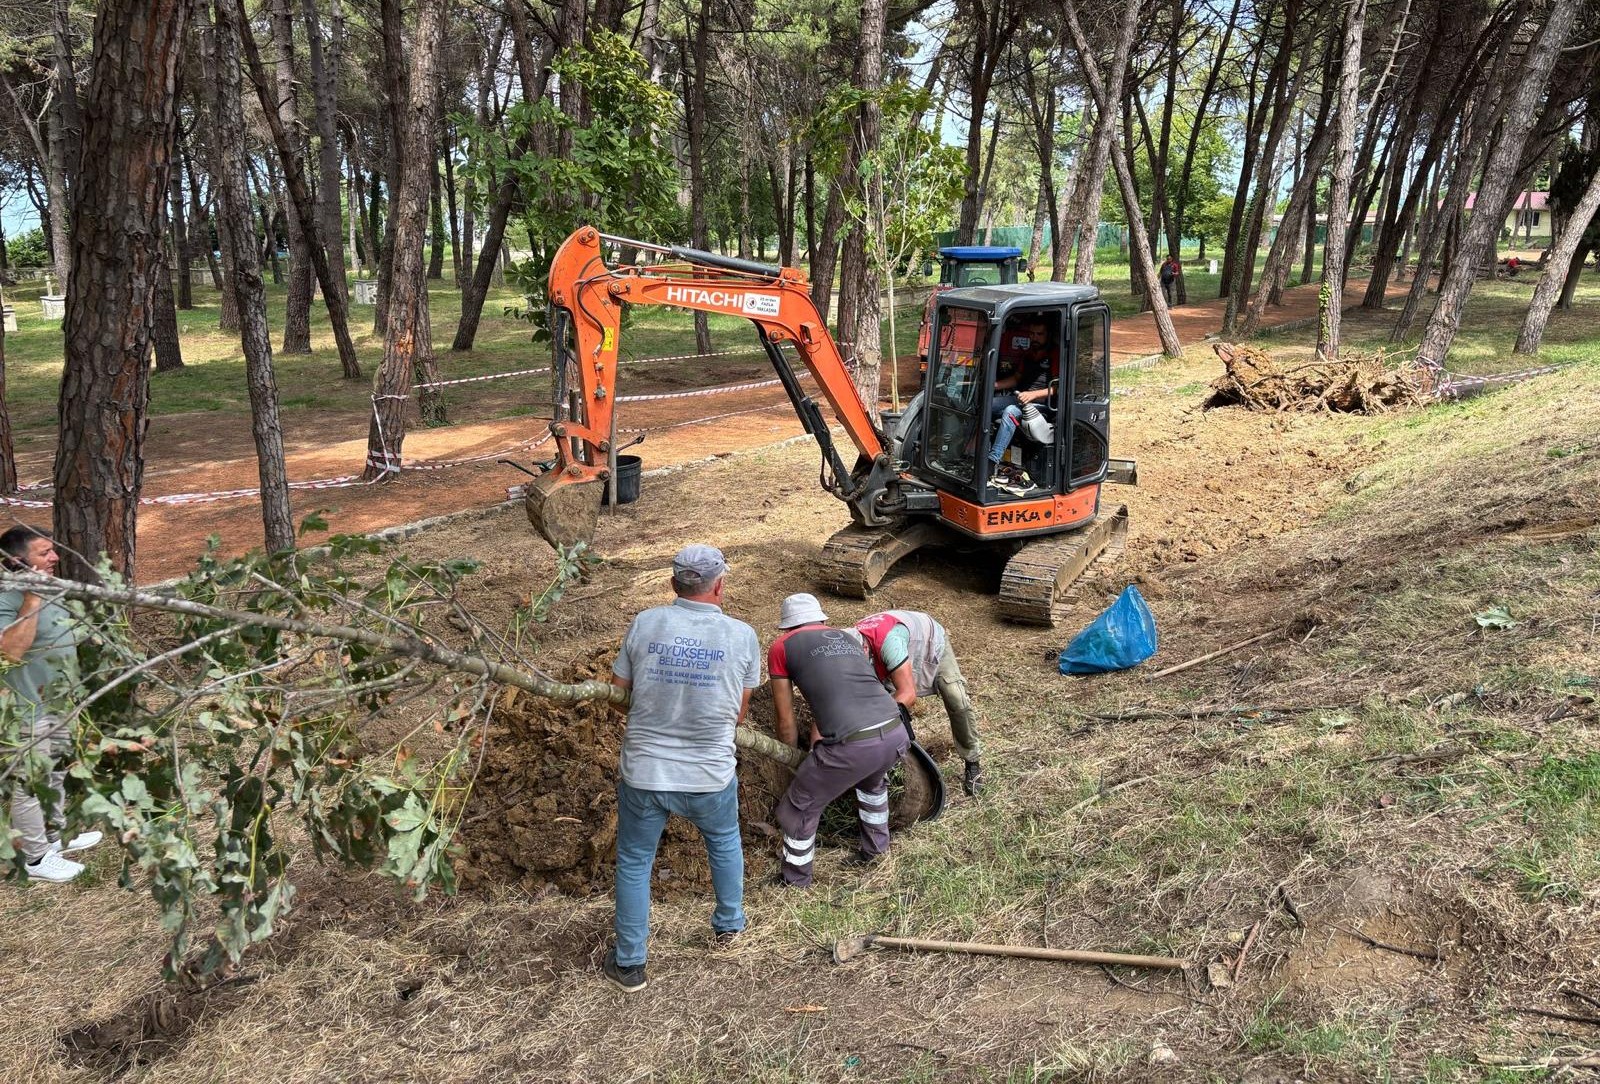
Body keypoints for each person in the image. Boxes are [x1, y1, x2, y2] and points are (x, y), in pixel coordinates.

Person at [604, 544, 761, 992]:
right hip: (709, 774)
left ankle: (630, 964)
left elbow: (619, 694)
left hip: (645, 773)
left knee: (635, 862)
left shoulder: (645, 622)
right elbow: (737, 715)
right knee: (725, 842)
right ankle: (729, 927)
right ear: (720, 586)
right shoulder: (742, 636)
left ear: (673, 585)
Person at [768, 593, 909, 887]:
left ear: (787, 627)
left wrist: (792, 758)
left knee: (800, 806)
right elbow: (844, 695)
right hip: (895, 730)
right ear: (821, 619)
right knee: (872, 786)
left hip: (854, 743)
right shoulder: (847, 638)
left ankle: (794, 880)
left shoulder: (781, 647)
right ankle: (876, 850)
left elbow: (786, 720)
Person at [1, 526, 101, 883]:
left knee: (55, 771)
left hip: (60, 702)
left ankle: (55, 838)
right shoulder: (5, 597)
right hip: (25, 710)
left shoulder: (51, 585)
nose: (55, 558)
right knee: (31, 782)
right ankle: (37, 859)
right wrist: (30, 600)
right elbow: (8, 653)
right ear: (17, 561)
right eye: (44, 553)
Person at [854, 609, 985, 797]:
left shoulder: (889, 643)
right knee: (880, 701)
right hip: (897, 651)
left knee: (955, 697)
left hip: (931, 643)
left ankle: (972, 761)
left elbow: (908, 694)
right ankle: (890, 759)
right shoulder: (850, 644)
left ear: (865, 649)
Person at [987, 317, 1052, 490]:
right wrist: (993, 386)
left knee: (1009, 411)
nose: (1035, 337)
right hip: (1021, 398)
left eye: (1039, 334)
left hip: (1042, 405)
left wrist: (1032, 395)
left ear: (1048, 335)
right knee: (988, 405)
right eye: (1032, 333)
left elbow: (1058, 389)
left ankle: (992, 461)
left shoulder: (1054, 354)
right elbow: (1016, 379)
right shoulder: (1028, 354)